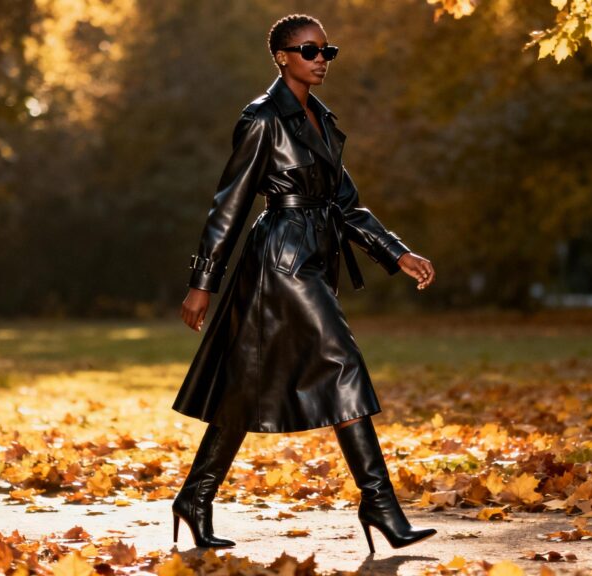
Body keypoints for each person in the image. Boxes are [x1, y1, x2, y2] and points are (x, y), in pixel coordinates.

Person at [170, 14, 437, 555]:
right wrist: (203, 281)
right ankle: (379, 504)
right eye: (309, 49)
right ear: (282, 57)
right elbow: (229, 205)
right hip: (280, 262)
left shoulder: (321, 118)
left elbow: (345, 203)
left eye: (327, 50)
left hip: (314, 257)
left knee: (244, 386)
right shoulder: (263, 118)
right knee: (342, 363)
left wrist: (397, 252)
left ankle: (194, 500)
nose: (321, 58)